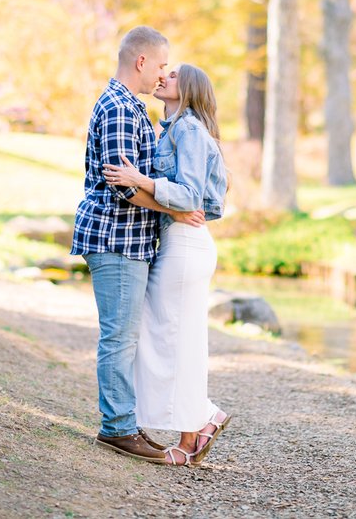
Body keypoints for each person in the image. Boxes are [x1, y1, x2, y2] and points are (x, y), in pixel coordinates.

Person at [71, 27, 205, 464]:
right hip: (116, 237)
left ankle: (125, 422)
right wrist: (176, 211)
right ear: (141, 62)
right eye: (162, 65)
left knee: (127, 335)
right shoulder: (119, 109)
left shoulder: (132, 108)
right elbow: (121, 189)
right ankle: (117, 429)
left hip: (129, 239)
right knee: (119, 337)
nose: (163, 73)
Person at [103, 63, 231, 466]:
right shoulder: (176, 128)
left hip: (185, 246)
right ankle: (199, 422)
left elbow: (191, 195)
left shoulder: (189, 129)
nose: (163, 78)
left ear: (189, 88)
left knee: (173, 337)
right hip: (177, 243)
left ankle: (197, 427)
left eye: (172, 75)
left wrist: (141, 180)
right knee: (171, 337)